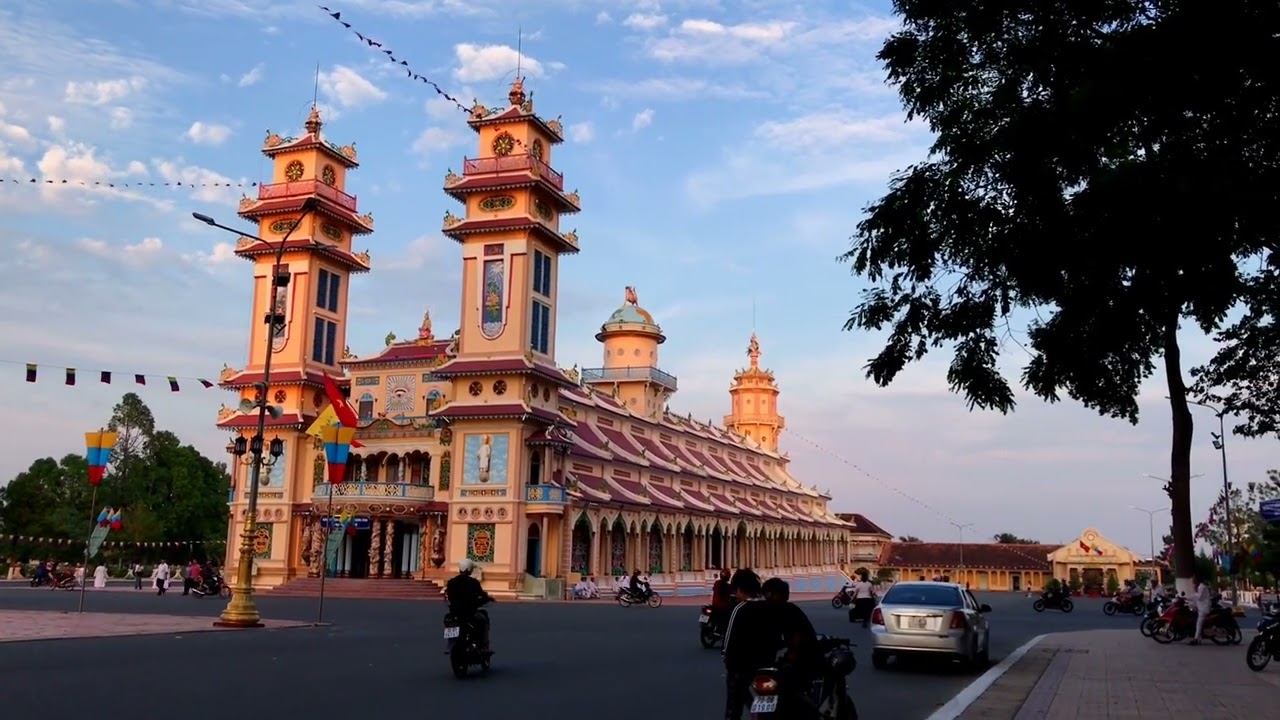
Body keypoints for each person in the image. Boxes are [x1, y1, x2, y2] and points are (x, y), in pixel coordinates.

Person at [721, 569, 784, 720]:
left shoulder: (740, 609)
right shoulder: (771, 608)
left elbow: (728, 642)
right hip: (767, 667)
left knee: (733, 710)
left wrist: (727, 659)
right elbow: (779, 637)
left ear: (740, 590)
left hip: (741, 669)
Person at [761, 577, 821, 680]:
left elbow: (798, 636)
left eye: (768, 594)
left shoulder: (788, 611)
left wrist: (790, 658)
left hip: (801, 659)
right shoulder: (774, 610)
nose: (766, 598)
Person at [445, 559, 493, 652]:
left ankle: (451, 642)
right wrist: (487, 598)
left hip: (454, 613)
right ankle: (483, 645)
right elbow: (481, 594)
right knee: (483, 620)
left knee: (449, 623)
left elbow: (449, 596)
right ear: (470, 569)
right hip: (469, 613)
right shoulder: (473, 582)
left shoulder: (452, 582)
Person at [1190, 575, 1212, 645]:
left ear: (1197, 580)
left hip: (1204, 608)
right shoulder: (1198, 587)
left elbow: (1199, 597)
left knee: (1199, 623)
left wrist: (1188, 597)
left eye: (1194, 579)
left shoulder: (1202, 587)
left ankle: (1196, 638)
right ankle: (1199, 638)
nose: (1193, 581)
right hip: (1200, 607)